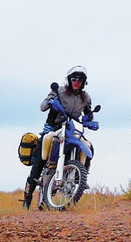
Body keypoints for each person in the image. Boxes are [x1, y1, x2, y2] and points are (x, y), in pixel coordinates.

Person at [25, 64, 95, 209]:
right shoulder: (59, 91)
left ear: (84, 82)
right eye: (74, 78)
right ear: (69, 79)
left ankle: (81, 177)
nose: (77, 81)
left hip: (72, 129)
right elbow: (42, 106)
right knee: (44, 145)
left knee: (88, 146)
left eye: (80, 80)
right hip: (54, 127)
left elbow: (89, 114)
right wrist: (50, 101)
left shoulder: (86, 98)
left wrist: (91, 122)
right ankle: (28, 196)